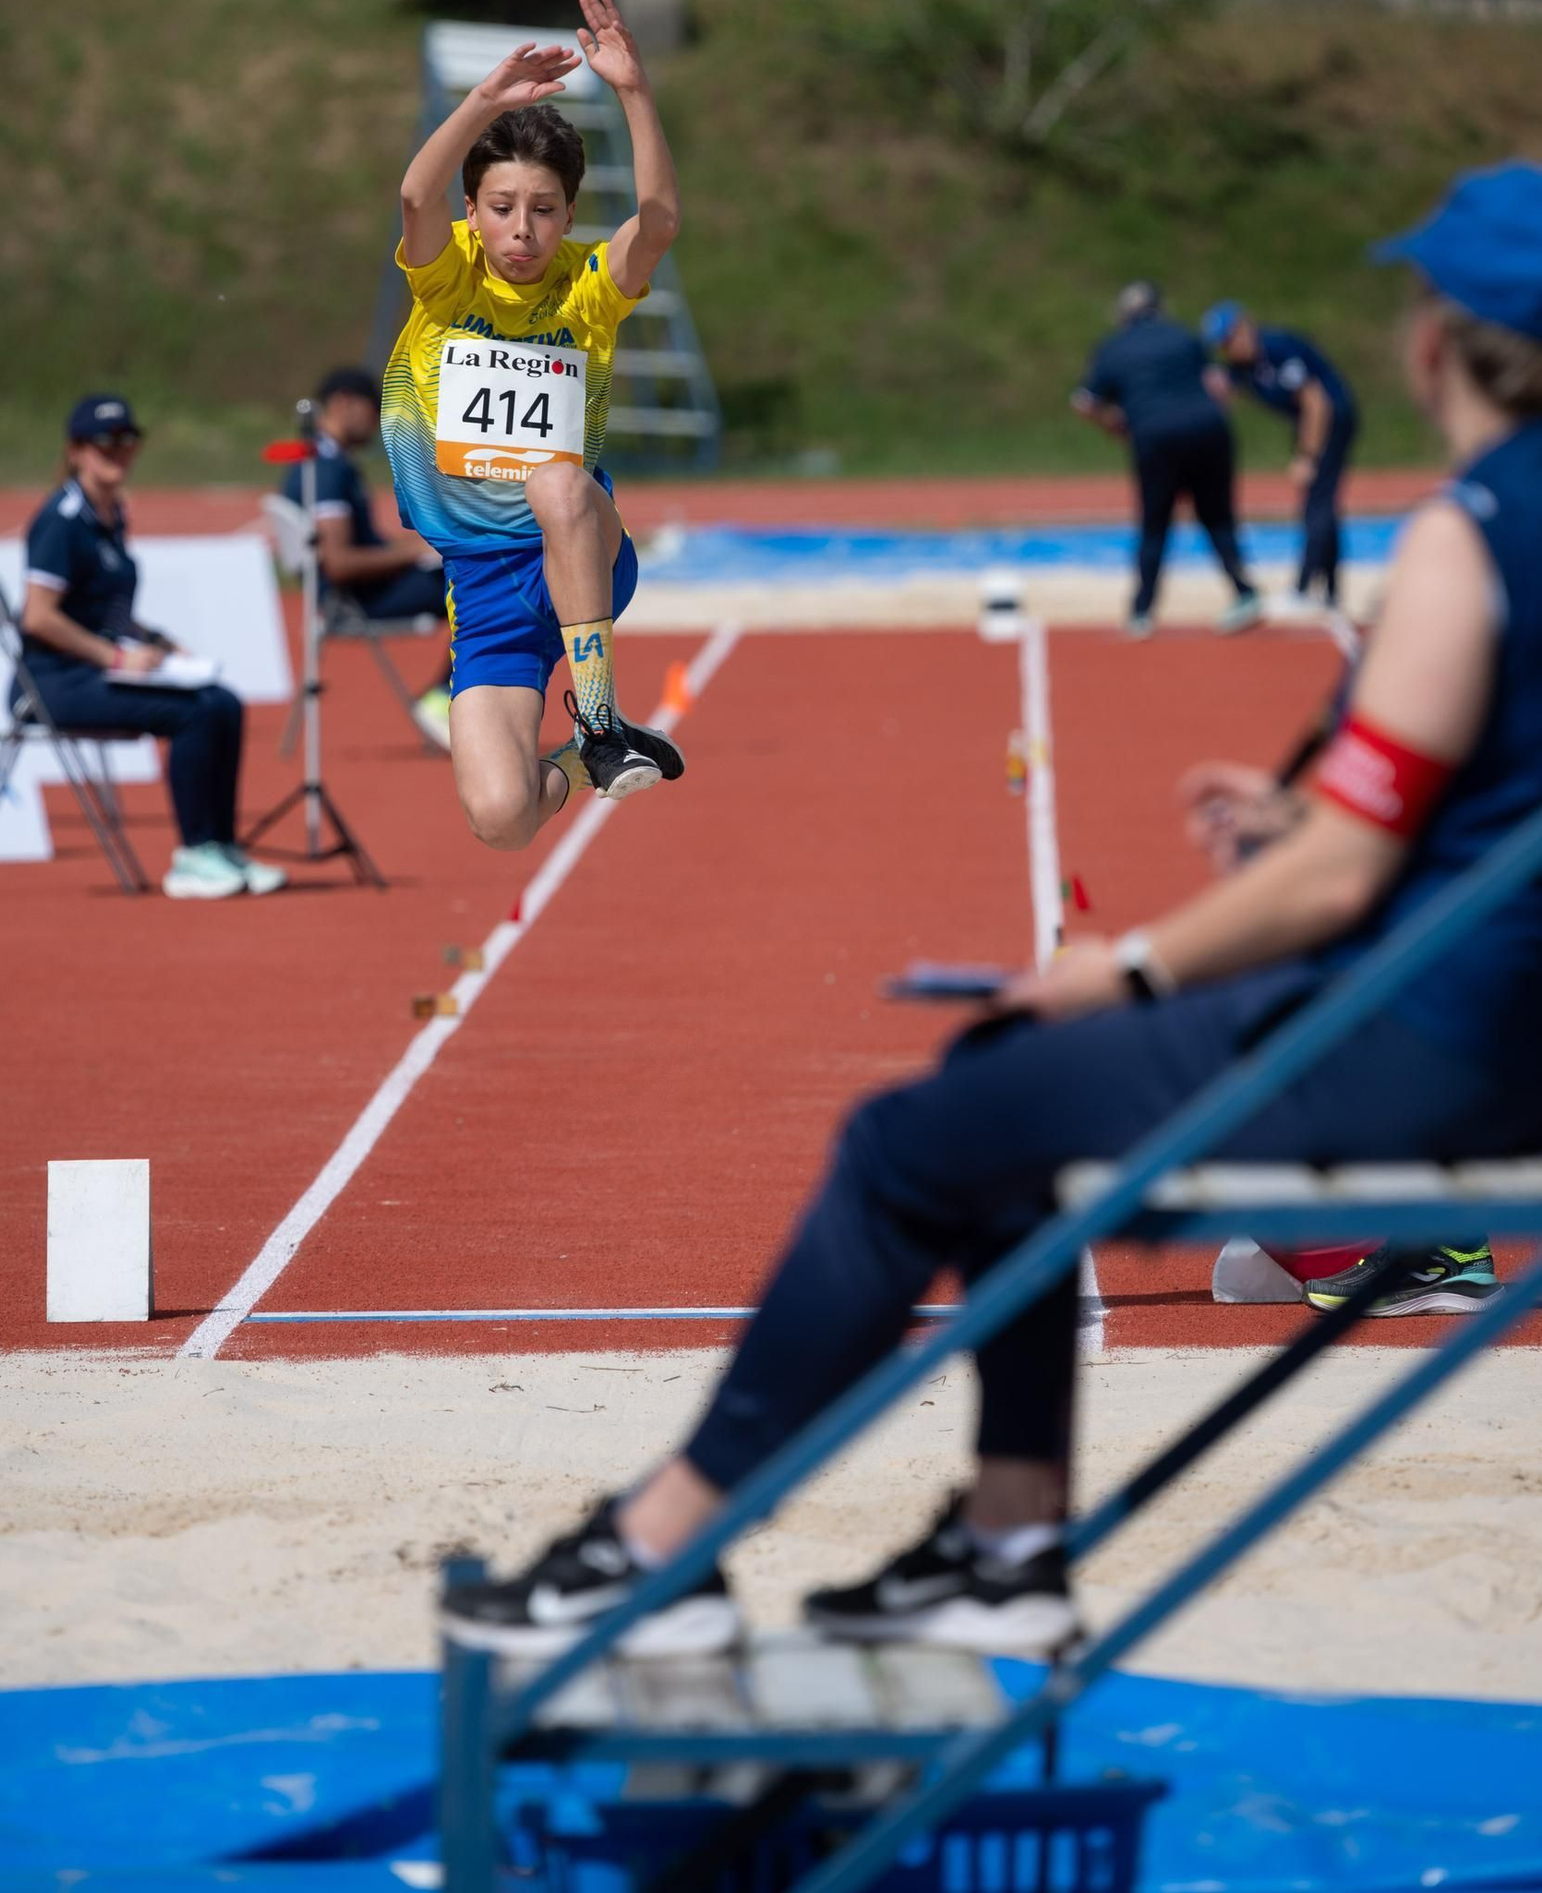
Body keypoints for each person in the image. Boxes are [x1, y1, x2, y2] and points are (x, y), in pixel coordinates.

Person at [442, 161, 1541, 1658]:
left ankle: (660, 1548)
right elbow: (1448, 811)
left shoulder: (1469, 538)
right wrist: (1320, 824)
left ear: (1437, 342)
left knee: (912, 1141)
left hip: (1436, 1046)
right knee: (1003, 1116)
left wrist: (1128, 968)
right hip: (1496, 1025)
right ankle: (1005, 1538)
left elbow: (1342, 880)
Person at [386, 0, 685, 851]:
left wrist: (633, 90)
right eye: (504, 208)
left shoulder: (586, 293)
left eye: (545, 210)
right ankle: (589, 762)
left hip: (581, 546)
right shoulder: (448, 281)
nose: (524, 231)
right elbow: (413, 195)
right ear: (473, 214)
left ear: (568, 217)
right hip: (485, 591)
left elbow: (659, 223)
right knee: (503, 817)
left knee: (557, 481)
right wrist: (484, 100)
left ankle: (599, 718)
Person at [19, 394, 284, 901]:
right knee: (191, 714)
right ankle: (192, 855)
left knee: (222, 701)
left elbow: (106, 611)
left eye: (127, 440)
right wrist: (117, 658)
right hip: (52, 682)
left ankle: (220, 846)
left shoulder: (111, 514)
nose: (117, 451)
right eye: (104, 443)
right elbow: (39, 616)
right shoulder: (62, 520)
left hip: (95, 672)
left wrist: (159, 643)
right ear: (76, 450)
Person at [1073, 281, 1261, 638]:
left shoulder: (1112, 348)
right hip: (1209, 430)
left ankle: (1142, 612)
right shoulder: (1183, 336)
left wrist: (1114, 424)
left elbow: (1084, 402)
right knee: (1217, 516)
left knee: (1155, 522)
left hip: (1155, 435)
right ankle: (1244, 590)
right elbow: (1217, 385)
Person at [282, 364, 453, 752]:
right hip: (352, 602)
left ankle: (445, 698)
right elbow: (339, 563)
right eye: (374, 408)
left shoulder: (325, 460)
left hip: (357, 593)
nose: (378, 422)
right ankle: (442, 697)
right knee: (478, 585)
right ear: (344, 404)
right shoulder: (326, 469)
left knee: (464, 573)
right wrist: (412, 552)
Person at [1202, 304, 1359, 609]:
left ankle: (1303, 589)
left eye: (1233, 337)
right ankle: (1330, 592)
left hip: (1331, 419)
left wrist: (1308, 456)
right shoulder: (1242, 368)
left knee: (1318, 502)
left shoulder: (1278, 349)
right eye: (1224, 344)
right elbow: (1222, 392)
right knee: (1320, 503)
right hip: (1306, 422)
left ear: (1247, 326)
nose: (1231, 347)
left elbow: (1317, 404)